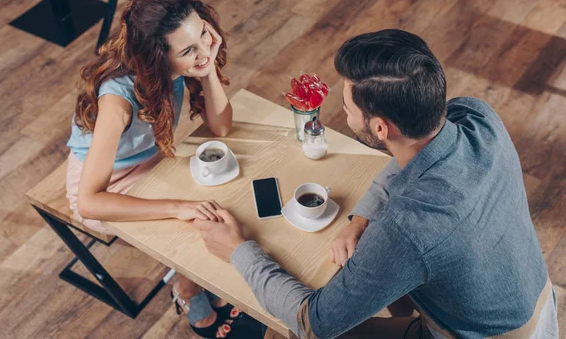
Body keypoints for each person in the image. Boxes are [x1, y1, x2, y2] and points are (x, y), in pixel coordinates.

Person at [194, 29, 559, 338]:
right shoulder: (477, 116)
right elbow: (408, 164)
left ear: (380, 128)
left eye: (348, 110)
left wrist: (239, 250)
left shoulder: (407, 229)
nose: (345, 113)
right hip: (537, 302)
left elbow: (315, 321)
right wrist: (361, 219)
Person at [66, 0, 259, 338]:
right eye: (188, 50)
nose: (202, 51)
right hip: (107, 183)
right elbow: (89, 201)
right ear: (157, 57)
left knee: (220, 194)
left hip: (152, 159)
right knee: (193, 222)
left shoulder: (183, 62)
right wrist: (177, 206)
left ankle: (201, 279)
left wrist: (207, 64)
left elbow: (221, 127)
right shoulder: (117, 101)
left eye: (204, 34)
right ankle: (187, 290)